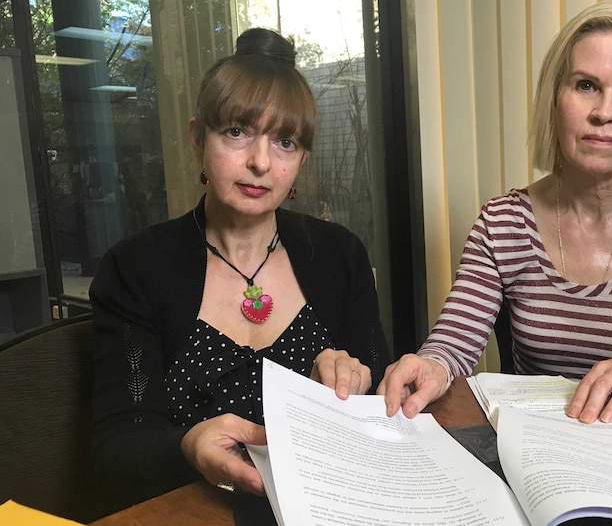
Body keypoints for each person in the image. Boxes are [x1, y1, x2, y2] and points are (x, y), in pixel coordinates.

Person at [379, 1, 612, 429]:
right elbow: (453, 343)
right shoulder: (502, 222)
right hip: (536, 455)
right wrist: (431, 365)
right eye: (585, 85)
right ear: (556, 98)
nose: (603, 112)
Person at [89, 28, 390, 506]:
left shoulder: (341, 255)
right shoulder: (135, 268)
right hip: (194, 512)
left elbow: (379, 396)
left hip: (328, 505)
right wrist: (185, 446)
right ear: (197, 138)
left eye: (285, 141)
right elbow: (115, 450)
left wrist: (354, 382)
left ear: (302, 158)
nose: (260, 162)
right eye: (237, 131)